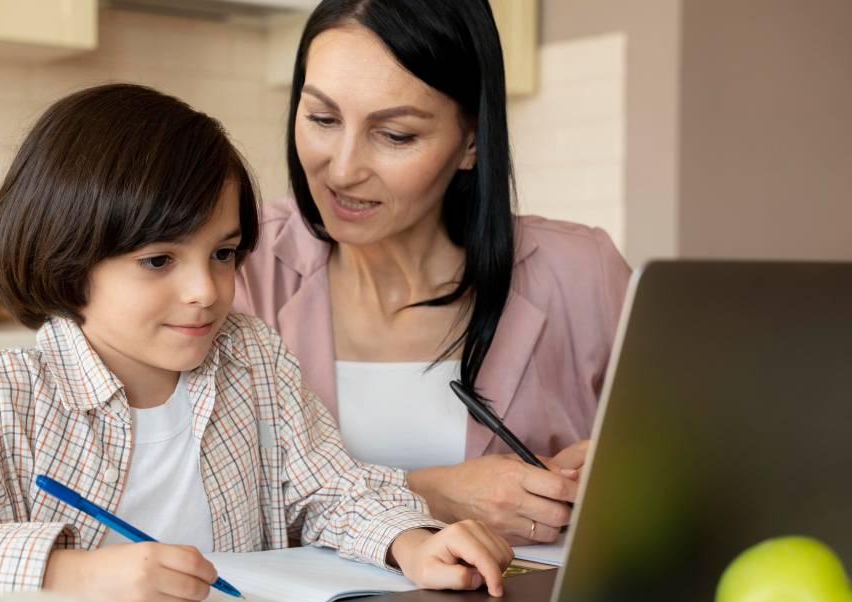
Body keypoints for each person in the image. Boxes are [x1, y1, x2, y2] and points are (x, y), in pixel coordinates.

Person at [0, 84, 512, 602]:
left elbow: (331, 490)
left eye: (222, 254)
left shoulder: (252, 360)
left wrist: (412, 542)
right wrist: (69, 575)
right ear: (69, 264)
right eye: (158, 260)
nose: (205, 292)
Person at [235, 0, 631, 546]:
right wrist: (428, 493)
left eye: (395, 135)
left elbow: (708, 462)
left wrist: (618, 473)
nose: (344, 169)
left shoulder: (582, 271)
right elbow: (208, 502)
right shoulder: (236, 264)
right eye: (322, 119)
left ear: (471, 142)